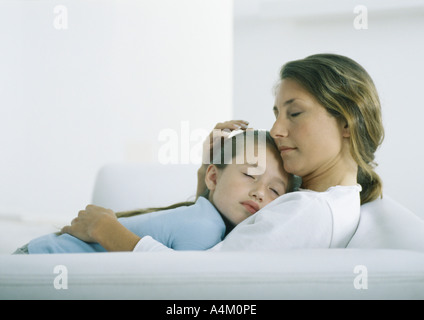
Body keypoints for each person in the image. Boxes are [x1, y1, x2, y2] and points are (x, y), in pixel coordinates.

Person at [58, 53, 384, 252]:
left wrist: (106, 229)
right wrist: (210, 177)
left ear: (347, 122)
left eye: (294, 113)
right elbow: (217, 246)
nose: (276, 130)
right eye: (276, 114)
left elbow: (201, 282)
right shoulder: (311, 197)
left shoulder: (308, 211)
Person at [15, 130, 294, 254]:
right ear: (212, 176)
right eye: (249, 175)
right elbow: (181, 285)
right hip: (40, 261)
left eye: (274, 190)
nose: (260, 192)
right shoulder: (204, 225)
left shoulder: (206, 220)